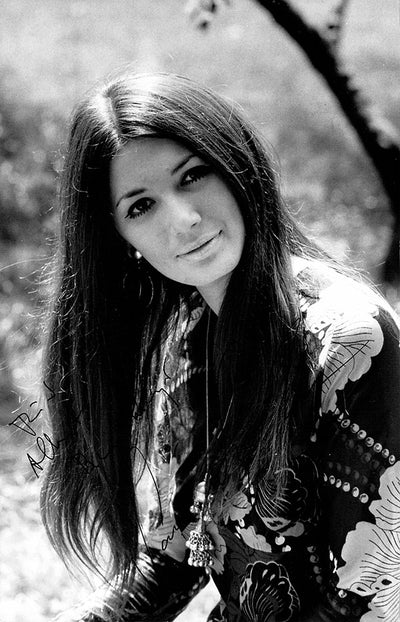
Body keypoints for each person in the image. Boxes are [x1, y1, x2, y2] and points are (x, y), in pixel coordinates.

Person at [41, 72, 400, 622]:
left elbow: (371, 596)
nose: (184, 220)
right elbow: (173, 554)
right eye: (141, 207)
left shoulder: (350, 341)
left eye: (193, 176)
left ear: (235, 165)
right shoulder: (188, 339)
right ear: (121, 240)